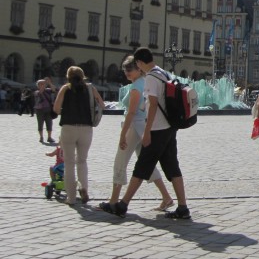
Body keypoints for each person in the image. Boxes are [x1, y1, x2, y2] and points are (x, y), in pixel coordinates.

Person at [104, 47, 190, 219]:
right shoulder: (163, 73)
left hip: (158, 129)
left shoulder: (151, 77)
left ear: (140, 62)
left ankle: (122, 205)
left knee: (142, 165)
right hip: (170, 127)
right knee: (172, 166)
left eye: (137, 64)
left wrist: (148, 130)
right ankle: (182, 207)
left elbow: (152, 104)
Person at [52, 66, 104, 205]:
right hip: (86, 128)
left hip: (68, 127)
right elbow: (102, 105)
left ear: (68, 76)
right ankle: (83, 187)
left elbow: (56, 109)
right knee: (82, 161)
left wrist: (67, 110)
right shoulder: (90, 88)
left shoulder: (65, 88)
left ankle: (71, 198)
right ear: (82, 76)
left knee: (69, 163)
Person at [34, 78, 57, 143]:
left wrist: (49, 83)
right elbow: (40, 92)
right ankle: (41, 137)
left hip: (48, 109)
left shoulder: (48, 90)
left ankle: (49, 137)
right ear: (38, 85)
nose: (43, 85)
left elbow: (54, 89)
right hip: (40, 110)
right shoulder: (36, 92)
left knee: (49, 123)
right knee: (40, 124)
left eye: (43, 84)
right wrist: (45, 84)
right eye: (41, 84)